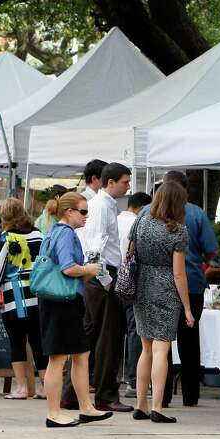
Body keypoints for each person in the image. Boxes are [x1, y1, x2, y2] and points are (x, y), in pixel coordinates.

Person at [63, 162, 133, 412]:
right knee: (107, 338)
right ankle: (105, 394)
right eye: (125, 182)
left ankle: (71, 393)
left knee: (90, 336)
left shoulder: (104, 204)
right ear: (110, 182)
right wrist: (106, 280)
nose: (128, 186)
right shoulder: (102, 206)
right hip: (101, 276)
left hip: (98, 276)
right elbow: (95, 248)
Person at [39, 192, 112, 427]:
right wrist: (89, 269)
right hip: (62, 301)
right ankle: (54, 413)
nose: (86, 216)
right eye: (83, 211)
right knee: (58, 358)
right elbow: (68, 268)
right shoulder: (66, 233)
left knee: (81, 353)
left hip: (62, 300)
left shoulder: (55, 230)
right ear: (69, 211)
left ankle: (86, 407)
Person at [132, 181, 195, 423]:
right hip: (166, 289)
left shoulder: (141, 220)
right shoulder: (177, 230)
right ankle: (157, 406)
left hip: (141, 286)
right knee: (161, 349)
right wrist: (187, 308)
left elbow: (130, 251)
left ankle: (141, 404)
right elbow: (179, 274)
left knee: (146, 349)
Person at [160, 171, 218, 408]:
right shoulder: (195, 213)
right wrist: (200, 261)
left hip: (159, 284)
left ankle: (161, 396)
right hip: (192, 282)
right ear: (186, 189)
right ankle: (190, 395)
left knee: (160, 341)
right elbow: (211, 249)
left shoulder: (149, 213)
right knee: (190, 341)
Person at [0, 199, 47, 399]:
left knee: (17, 341)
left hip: (14, 295)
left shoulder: (6, 238)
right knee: (38, 341)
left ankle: (21, 388)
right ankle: (45, 387)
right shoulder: (39, 234)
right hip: (38, 294)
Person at [117, 191, 151, 399]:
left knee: (116, 333)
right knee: (135, 332)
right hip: (132, 282)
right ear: (141, 207)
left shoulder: (116, 219)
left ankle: (115, 378)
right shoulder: (138, 223)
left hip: (114, 280)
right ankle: (134, 381)